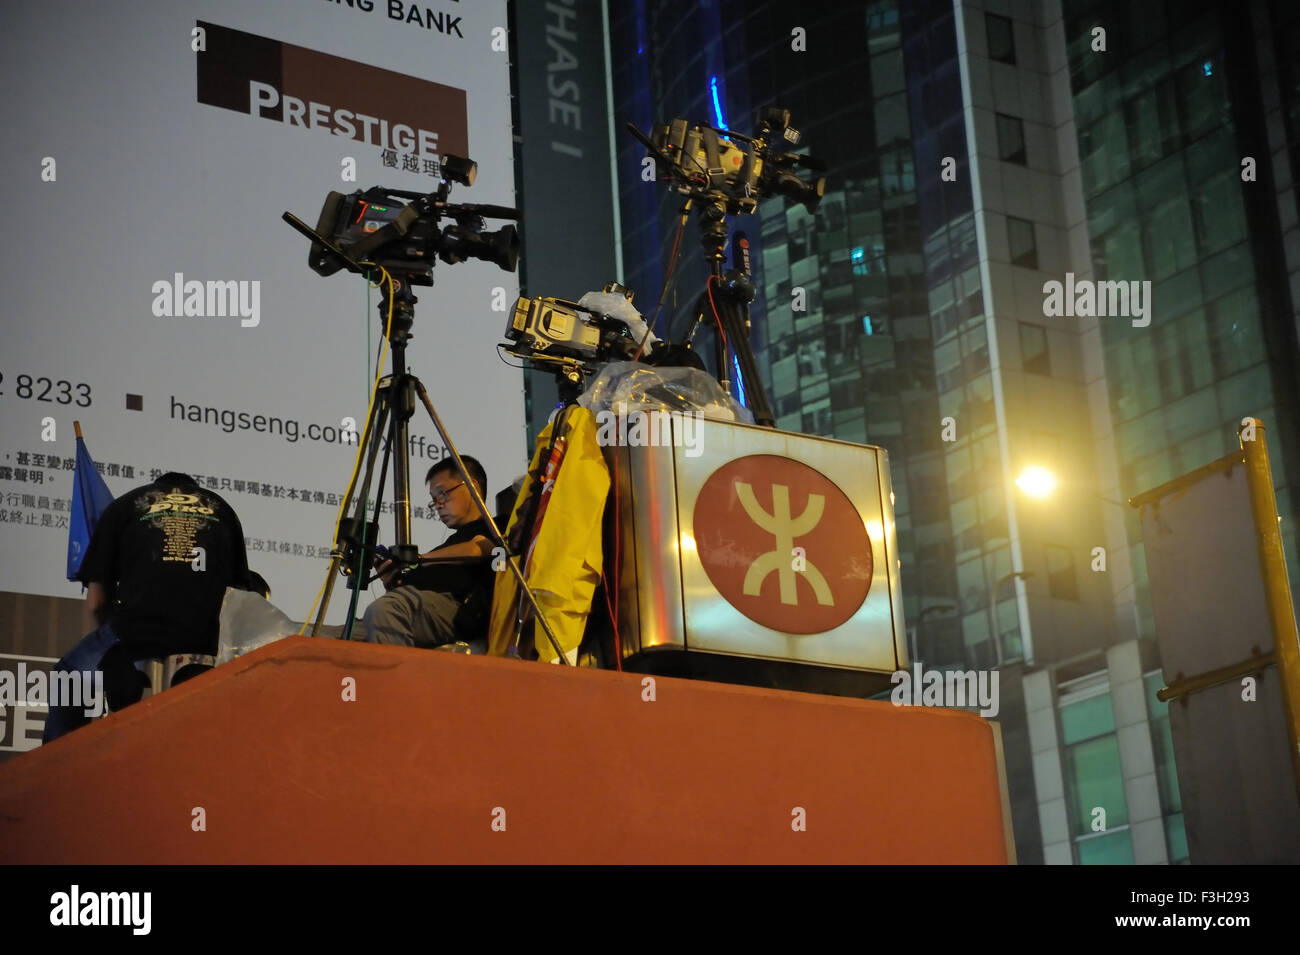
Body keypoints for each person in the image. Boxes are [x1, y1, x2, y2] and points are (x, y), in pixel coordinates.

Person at [42, 471, 250, 743]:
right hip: (203, 643)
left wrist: (112, 640)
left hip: (136, 635)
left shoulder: (125, 505)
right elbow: (240, 596)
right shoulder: (223, 510)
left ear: (156, 486)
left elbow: (95, 602)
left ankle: (57, 769)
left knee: (69, 675)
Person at [359, 456, 496, 649]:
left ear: (472, 486)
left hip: (458, 608)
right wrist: (391, 580)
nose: (438, 505)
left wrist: (419, 559)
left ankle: (397, 679)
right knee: (329, 636)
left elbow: (480, 548)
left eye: (443, 494)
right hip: (418, 607)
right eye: (434, 500)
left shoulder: (497, 526)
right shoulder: (447, 545)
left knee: (386, 610)